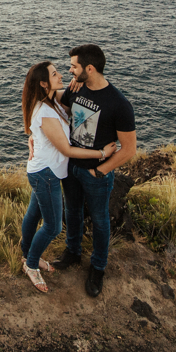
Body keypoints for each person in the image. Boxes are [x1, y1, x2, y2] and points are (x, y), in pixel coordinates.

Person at [20, 61, 116, 293]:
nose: (61, 75)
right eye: (54, 74)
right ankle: (31, 264)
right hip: (46, 175)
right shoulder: (45, 111)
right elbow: (67, 149)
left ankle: (27, 253)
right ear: (44, 83)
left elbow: (76, 92)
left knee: (33, 214)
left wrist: (78, 81)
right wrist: (102, 153)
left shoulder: (50, 100)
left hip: (42, 170)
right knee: (53, 227)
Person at [51, 44, 136, 298]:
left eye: (74, 67)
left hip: (96, 174)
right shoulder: (76, 88)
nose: (70, 70)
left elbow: (129, 149)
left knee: (100, 220)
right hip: (72, 166)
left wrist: (101, 171)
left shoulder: (119, 104)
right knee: (72, 211)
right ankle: (73, 252)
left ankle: (98, 267)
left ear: (89, 68)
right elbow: (60, 108)